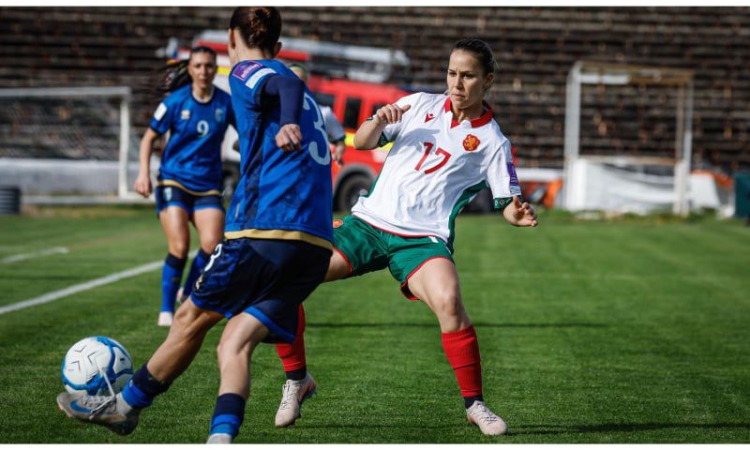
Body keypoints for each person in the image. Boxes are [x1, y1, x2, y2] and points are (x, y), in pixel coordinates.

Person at [57, 7, 334, 444]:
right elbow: (291, 85)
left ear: (230, 39)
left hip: (265, 232)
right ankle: (219, 439)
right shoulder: (302, 94)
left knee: (189, 317)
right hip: (313, 246)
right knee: (233, 343)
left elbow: (284, 83)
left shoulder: (247, 71)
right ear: (279, 45)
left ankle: (124, 408)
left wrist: (283, 123)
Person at [272, 38, 538, 436]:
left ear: (487, 81)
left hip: (422, 240)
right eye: (452, 73)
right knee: (287, 278)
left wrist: (517, 214)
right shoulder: (419, 104)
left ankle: (475, 405)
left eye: (467, 76)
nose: (456, 83)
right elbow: (361, 141)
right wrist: (379, 120)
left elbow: (507, 202)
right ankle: (297, 380)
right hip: (368, 224)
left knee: (449, 301)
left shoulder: (493, 142)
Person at [135, 45, 235, 327]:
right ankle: (166, 309)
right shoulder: (175, 102)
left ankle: (187, 293)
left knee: (213, 245)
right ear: (190, 69)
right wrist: (143, 174)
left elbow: (247, 133)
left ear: (216, 70)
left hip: (208, 185)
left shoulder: (225, 103)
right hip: (173, 180)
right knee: (180, 247)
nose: (204, 71)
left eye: (209, 66)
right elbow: (148, 138)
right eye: (198, 66)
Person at [288, 63, 347, 166]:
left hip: (308, 168)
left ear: (306, 84)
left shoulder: (323, 113)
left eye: (300, 81)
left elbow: (340, 141)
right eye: (290, 80)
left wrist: (338, 154)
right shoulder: (271, 108)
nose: (295, 84)